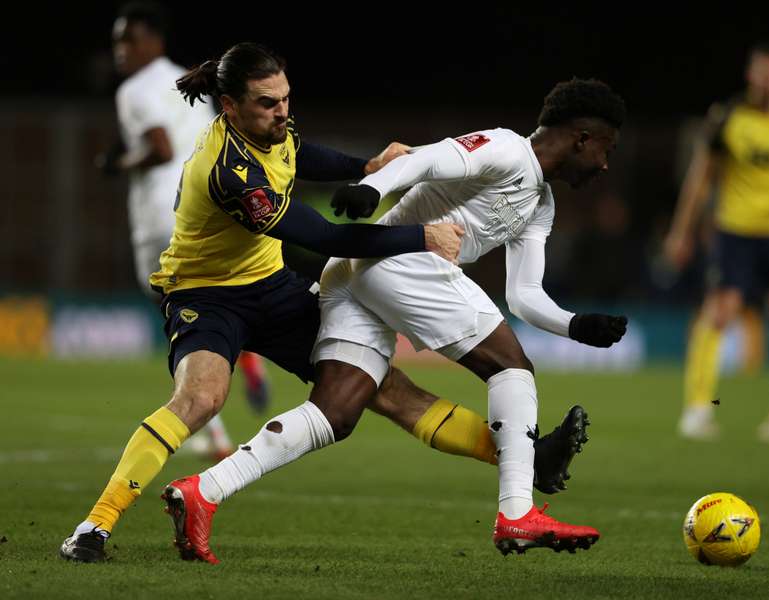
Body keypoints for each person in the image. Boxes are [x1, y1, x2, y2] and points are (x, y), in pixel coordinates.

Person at [60, 42, 588, 564]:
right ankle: (96, 525)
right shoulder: (231, 174)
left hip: (271, 287)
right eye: (268, 102)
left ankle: (521, 458)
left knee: (378, 386)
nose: (282, 111)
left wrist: (367, 164)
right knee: (202, 399)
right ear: (230, 106)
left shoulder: (271, 127)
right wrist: (421, 238)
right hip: (206, 295)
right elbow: (330, 239)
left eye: (285, 98)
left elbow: (301, 153)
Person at [164, 77, 628, 560]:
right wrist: (369, 188)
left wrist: (574, 325)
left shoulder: (541, 204)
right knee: (511, 367)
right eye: (606, 148)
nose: (605, 164)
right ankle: (516, 514)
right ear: (582, 138)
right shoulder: (508, 148)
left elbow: (524, 294)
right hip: (403, 258)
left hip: (354, 274)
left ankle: (204, 491)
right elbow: (426, 157)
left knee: (336, 411)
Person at [103, 2, 269, 458]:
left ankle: (210, 430)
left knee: (177, 318)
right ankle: (248, 355)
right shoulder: (189, 80)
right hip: (205, 210)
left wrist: (117, 162)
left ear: (153, 41)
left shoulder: (134, 89)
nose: (121, 50)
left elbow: (159, 148)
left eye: (128, 39)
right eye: (118, 40)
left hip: (160, 217)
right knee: (208, 302)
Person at [664, 43, 769, 443]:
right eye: (764, 74)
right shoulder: (728, 119)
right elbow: (700, 177)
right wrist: (681, 231)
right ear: (751, 77)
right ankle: (696, 409)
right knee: (720, 313)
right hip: (735, 232)